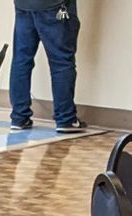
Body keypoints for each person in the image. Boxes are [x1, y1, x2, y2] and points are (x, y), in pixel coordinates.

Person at [10, 0, 87, 133]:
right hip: (55, 5)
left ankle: (19, 117)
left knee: (21, 61)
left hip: (23, 5)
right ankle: (65, 118)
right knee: (61, 62)